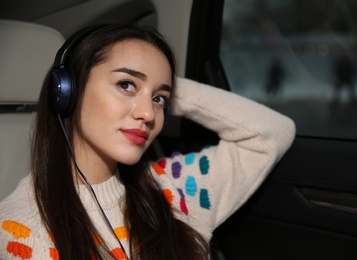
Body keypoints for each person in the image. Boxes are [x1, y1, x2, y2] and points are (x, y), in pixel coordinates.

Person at [0, 23, 295, 259]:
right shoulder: (19, 232)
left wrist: (167, 88)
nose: (148, 113)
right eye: (126, 85)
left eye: (159, 100)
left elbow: (271, 132)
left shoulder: (176, 188)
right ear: (68, 92)